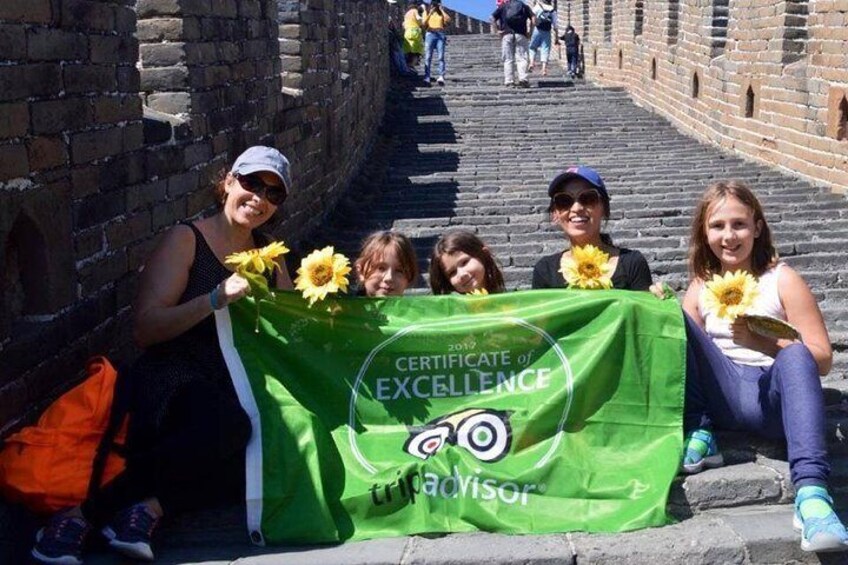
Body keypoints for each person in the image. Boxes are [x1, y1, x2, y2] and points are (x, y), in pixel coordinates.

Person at [30, 146, 294, 564]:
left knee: (277, 446)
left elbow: (287, 333)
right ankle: (81, 517)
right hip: (172, 375)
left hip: (232, 379)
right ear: (228, 182)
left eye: (273, 194)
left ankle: (149, 509)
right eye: (252, 183)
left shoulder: (272, 258)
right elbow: (147, 330)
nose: (259, 198)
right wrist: (215, 297)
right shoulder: (186, 240)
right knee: (229, 427)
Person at [678, 180, 848, 553]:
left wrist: (765, 343)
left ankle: (812, 497)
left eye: (739, 224)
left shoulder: (781, 280)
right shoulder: (700, 287)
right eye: (717, 226)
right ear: (704, 233)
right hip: (721, 396)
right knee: (676, 323)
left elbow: (820, 358)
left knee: (796, 353)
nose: (729, 236)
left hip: (772, 400)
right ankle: (702, 433)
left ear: (757, 227)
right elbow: (683, 356)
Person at [532, 166, 653, 290]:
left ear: (604, 209)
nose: (576, 208)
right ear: (555, 214)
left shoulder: (632, 263)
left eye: (588, 198)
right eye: (564, 201)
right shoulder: (544, 270)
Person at [429, 230, 506, 294]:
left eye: (464, 262)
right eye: (452, 273)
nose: (461, 274)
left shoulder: (509, 303)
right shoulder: (450, 311)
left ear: (483, 255)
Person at [355, 231, 419, 297]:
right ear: (360, 272)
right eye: (381, 268)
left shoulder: (414, 307)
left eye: (399, 271)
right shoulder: (346, 307)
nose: (389, 278)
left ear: (410, 277)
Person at [492, 0, 535, 88]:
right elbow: (534, 18)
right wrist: (530, 32)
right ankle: (523, 79)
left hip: (506, 35)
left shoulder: (503, 6)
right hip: (521, 35)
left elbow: (492, 18)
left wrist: (497, 31)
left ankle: (509, 81)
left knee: (508, 59)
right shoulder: (523, 6)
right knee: (522, 58)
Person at [422, 0, 451, 86]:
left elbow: (448, 20)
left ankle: (441, 76)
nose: (434, 6)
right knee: (428, 56)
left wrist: (441, 10)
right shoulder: (427, 12)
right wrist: (430, 13)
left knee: (441, 57)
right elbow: (424, 23)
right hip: (430, 34)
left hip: (440, 34)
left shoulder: (441, 13)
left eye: (436, 4)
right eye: (433, 4)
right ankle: (427, 76)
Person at [528, 1, 556, 76]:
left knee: (532, 47)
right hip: (547, 31)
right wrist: (556, 37)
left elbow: (532, 19)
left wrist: (530, 32)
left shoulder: (537, 7)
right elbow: (555, 24)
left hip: (537, 30)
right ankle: (544, 69)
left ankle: (531, 62)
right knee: (545, 49)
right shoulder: (552, 9)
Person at [402, 3, 425, 68]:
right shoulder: (415, 11)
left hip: (407, 33)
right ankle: (413, 64)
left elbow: (403, 24)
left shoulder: (406, 14)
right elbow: (419, 19)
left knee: (409, 50)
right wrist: (422, 23)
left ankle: (408, 65)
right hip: (415, 32)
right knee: (417, 51)